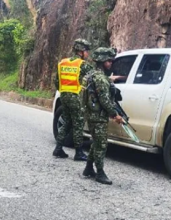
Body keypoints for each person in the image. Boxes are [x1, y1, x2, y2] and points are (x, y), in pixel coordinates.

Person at [81, 47, 125, 185]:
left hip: (91, 114)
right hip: (98, 116)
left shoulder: (91, 75)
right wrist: (115, 115)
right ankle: (100, 172)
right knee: (101, 144)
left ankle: (88, 168)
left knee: (96, 141)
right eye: (108, 60)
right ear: (102, 61)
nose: (111, 62)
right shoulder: (100, 78)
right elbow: (105, 100)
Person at [53, 39, 95, 160]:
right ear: (81, 51)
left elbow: (56, 81)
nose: (88, 54)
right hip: (76, 97)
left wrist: (64, 91)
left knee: (66, 121)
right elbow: (95, 77)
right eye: (87, 51)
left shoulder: (63, 62)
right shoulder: (83, 65)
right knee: (78, 124)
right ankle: (79, 152)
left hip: (64, 96)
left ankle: (58, 148)